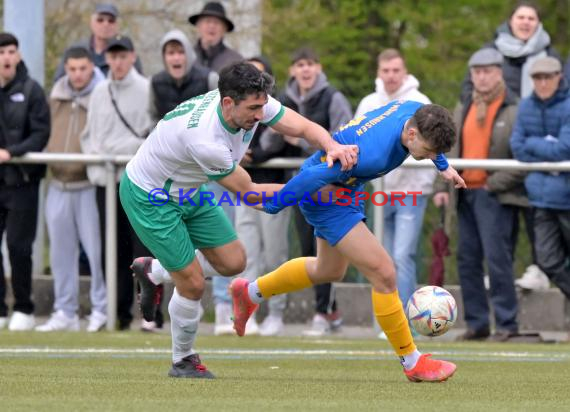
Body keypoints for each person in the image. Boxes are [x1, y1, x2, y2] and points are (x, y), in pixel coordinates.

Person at [121, 62, 358, 378]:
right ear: (228, 103)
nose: (261, 115)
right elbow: (254, 194)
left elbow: (301, 127)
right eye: (254, 108)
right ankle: (183, 360)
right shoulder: (205, 139)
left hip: (187, 188)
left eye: (263, 106)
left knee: (234, 262)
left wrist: (332, 145)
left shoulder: (249, 99)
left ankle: (155, 271)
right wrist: (315, 190)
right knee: (191, 282)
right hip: (151, 196)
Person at [230, 100, 466, 383]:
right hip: (329, 194)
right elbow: (314, 176)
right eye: (429, 152)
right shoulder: (372, 154)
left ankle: (250, 293)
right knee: (384, 273)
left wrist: (443, 166)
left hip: (348, 189)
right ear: (412, 135)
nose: (429, 155)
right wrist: (275, 204)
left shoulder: (417, 111)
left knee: (328, 270)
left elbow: (426, 140)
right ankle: (413, 362)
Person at [461, 1, 558, 289]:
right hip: (503, 152)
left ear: (537, 23)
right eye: (521, 17)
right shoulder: (492, 52)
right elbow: (468, 97)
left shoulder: (550, 55)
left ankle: (539, 268)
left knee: (537, 217)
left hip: (538, 149)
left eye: (531, 18)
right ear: (511, 21)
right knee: (499, 238)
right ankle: (504, 280)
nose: (526, 22)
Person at [434, 48, 523, 342]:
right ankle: (477, 323)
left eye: (488, 71)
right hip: (464, 193)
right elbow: (446, 148)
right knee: (467, 259)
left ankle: (507, 324)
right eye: (477, 72)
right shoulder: (464, 106)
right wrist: (442, 188)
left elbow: (522, 158)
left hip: (494, 194)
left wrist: (494, 183)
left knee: (498, 259)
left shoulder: (514, 107)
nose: (482, 77)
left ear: (499, 73)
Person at [274, 47, 353, 336]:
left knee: (329, 251)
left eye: (310, 64)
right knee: (308, 250)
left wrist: (298, 141)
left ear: (318, 68)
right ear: (292, 70)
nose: (305, 70)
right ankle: (328, 312)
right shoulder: (283, 100)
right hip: (298, 185)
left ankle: (322, 312)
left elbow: (341, 140)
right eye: (299, 65)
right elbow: (273, 138)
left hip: (330, 186)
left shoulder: (333, 97)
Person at [80, 35, 153, 331]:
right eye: (113, 57)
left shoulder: (146, 89)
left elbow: (151, 135)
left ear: (132, 57)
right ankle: (118, 311)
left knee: (143, 247)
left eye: (123, 56)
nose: (118, 62)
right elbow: (89, 135)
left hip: (137, 182)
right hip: (105, 182)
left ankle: (151, 313)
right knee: (112, 249)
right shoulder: (99, 91)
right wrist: (97, 160)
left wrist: (124, 154)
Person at [355, 48, 434, 318]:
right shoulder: (368, 102)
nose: (391, 76)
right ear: (379, 72)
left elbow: (433, 143)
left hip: (411, 192)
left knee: (403, 256)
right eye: (385, 71)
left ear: (405, 71)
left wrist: (427, 183)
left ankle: (409, 319)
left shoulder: (420, 101)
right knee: (383, 260)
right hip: (380, 194)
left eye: (396, 70)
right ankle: (387, 322)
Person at [36, 47, 107, 332]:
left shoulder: (101, 95)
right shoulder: (55, 95)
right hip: (57, 184)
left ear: (92, 67)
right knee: (60, 255)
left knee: (96, 252)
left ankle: (101, 309)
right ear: (66, 68)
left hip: (88, 184)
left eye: (83, 68)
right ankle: (64, 311)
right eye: (72, 69)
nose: (77, 74)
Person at [0, 32, 50, 331]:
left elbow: (40, 134)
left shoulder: (32, 90)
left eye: (12, 51)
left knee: (19, 246)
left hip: (22, 181)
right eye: (2, 51)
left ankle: (23, 307)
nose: (7, 57)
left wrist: (11, 152)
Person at [511, 56, 570, 300]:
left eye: (547, 77)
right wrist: (547, 146)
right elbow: (517, 147)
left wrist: (535, 145)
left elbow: (564, 149)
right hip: (541, 198)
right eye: (538, 78)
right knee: (546, 260)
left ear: (559, 77)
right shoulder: (526, 106)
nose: (543, 83)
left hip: (566, 197)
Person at [53, 3, 143, 81]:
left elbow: (138, 83)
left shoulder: (126, 52)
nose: (105, 24)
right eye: (100, 20)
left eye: (111, 21)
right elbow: (60, 82)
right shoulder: (75, 50)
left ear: (117, 25)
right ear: (91, 23)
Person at [149, 29, 218, 124]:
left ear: (189, 55)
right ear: (164, 57)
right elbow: (153, 117)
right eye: (171, 53)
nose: (176, 58)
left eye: (181, 52)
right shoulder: (155, 82)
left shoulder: (209, 79)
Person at [189, 1, 243, 73]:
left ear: (224, 29)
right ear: (198, 25)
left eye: (216, 22)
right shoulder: (186, 57)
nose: (212, 26)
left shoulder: (236, 62)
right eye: (208, 21)